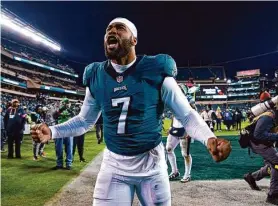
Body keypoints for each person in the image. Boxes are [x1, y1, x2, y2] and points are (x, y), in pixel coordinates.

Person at [31, 17, 231, 205]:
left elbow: (186, 115)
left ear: (134, 39)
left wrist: (209, 138)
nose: (112, 31)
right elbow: (85, 121)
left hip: (150, 165)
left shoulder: (155, 69)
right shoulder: (96, 75)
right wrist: (53, 132)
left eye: (120, 28)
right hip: (114, 164)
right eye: (109, 29)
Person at [244, 93, 278, 205]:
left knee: (271, 165)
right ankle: (273, 195)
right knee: (277, 163)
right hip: (257, 142)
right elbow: (258, 135)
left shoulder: (271, 113)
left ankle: (251, 177)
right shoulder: (268, 116)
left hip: (261, 142)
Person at [166, 90, 196, 183]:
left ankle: (187, 174)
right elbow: (173, 115)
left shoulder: (189, 100)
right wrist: (171, 127)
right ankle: (175, 172)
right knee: (168, 149)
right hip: (175, 128)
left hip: (184, 129)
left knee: (185, 154)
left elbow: (193, 116)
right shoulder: (174, 100)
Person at [53, 98, 75, 170]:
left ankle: (69, 164)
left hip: (69, 130)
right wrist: (61, 109)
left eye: (67, 103)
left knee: (69, 148)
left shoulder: (71, 110)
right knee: (58, 148)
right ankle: (59, 164)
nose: (65, 104)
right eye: (64, 103)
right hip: (59, 130)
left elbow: (74, 117)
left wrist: (68, 109)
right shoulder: (58, 110)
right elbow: (55, 116)